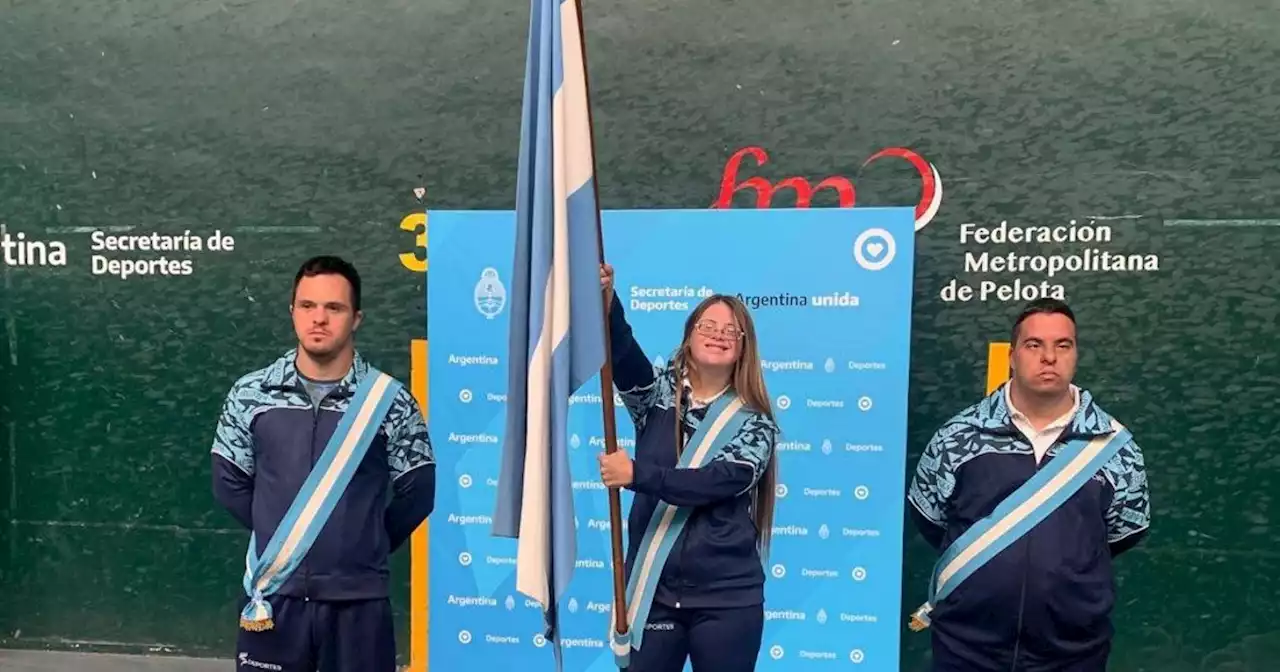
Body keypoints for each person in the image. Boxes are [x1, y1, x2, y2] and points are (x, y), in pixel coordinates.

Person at [210, 255, 436, 672]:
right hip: (273, 598)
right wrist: (282, 538)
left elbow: (418, 492)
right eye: (308, 306)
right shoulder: (251, 393)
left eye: (334, 308)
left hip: (359, 603)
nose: (319, 318)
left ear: (356, 318)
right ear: (292, 312)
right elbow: (229, 483)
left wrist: (363, 542)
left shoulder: (391, 401)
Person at [906, 298, 1151, 671]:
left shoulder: (1116, 448)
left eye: (1062, 345)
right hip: (966, 651)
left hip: (1072, 655)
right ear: (1013, 355)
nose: (1048, 356)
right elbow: (933, 522)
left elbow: (1121, 535)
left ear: (1075, 355)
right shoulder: (957, 437)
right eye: (1034, 345)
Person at [595, 263, 781, 672]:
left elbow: (717, 481)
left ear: (743, 347)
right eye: (707, 325)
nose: (718, 334)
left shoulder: (756, 422)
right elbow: (623, 355)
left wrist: (637, 474)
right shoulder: (656, 396)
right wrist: (606, 302)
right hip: (652, 593)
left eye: (730, 330)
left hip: (727, 602)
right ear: (688, 335)